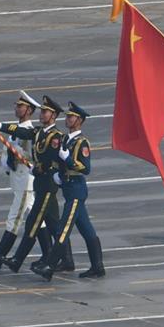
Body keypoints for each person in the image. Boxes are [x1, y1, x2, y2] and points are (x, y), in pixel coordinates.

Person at [0, 95, 72, 273]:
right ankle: (62, 259)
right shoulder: (39, 132)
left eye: (45, 112)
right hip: (38, 181)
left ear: (53, 115)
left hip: (45, 182)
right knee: (52, 223)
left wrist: (44, 169)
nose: (42, 114)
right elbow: (22, 132)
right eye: (41, 111)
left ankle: (12, 258)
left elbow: (53, 159)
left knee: (30, 220)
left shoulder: (56, 136)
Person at [33, 101, 105, 281]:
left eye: (71, 117)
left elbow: (86, 169)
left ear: (79, 120)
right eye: (67, 116)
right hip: (67, 187)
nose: (68, 119)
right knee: (87, 230)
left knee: (62, 229)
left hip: (76, 189)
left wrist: (70, 162)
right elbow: (58, 161)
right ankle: (98, 267)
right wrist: (57, 172)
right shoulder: (65, 139)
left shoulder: (82, 143)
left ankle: (49, 266)